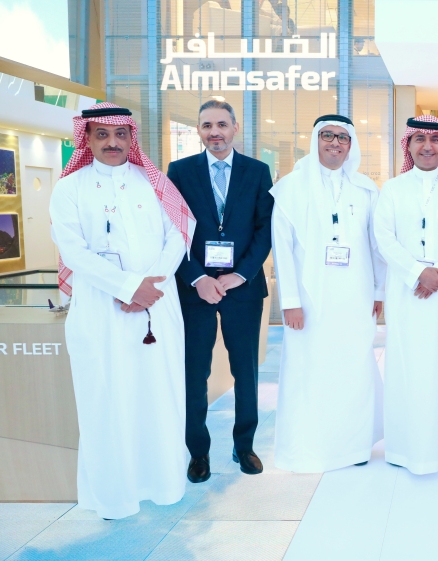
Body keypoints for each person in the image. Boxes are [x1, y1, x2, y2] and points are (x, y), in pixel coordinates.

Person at [49, 102, 196, 519]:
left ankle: (164, 484)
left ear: (132, 137)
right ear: (87, 138)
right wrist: (128, 287)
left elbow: (180, 233)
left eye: (120, 134)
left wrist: (149, 288)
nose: (112, 142)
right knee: (107, 399)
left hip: (156, 308)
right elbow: (73, 252)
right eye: (102, 134)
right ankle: (114, 495)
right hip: (100, 311)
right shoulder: (69, 188)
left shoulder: (154, 183)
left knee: (159, 395)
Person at [167, 100, 274, 483]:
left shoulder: (257, 171)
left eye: (222, 124)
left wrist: (241, 274)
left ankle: (244, 446)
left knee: (245, 370)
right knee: (194, 372)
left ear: (235, 128)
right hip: (194, 289)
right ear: (198, 130)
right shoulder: (179, 171)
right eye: (207, 125)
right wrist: (198, 277)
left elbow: (266, 228)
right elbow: (172, 229)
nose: (215, 132)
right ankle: (198, 452)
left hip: (242, 289)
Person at [271, 115, 386, 472]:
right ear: (315, 140)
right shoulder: (290, 188)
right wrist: (290, 302)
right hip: (310, 301)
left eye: (342, 137)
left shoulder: (366, 189)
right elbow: (282, 248)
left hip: (355, 296)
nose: (335, 143)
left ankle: (354, 447)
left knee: (353, 369)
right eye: (327, 136)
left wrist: (379, 290)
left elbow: (376, 246)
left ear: (351, 145)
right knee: (310, 371)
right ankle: (312, 448)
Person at [373, 115, 438, 475]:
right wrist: (418, 273)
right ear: (408, 145)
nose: (427, 146)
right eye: (418, 138)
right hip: (407, 292)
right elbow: (383, 238)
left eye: (435, 139)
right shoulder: (392, 189)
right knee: (409, 363)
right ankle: (408, 448)